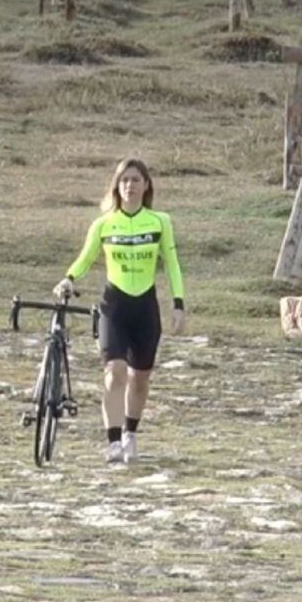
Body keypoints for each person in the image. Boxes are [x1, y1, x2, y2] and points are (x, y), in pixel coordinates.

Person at [52, 158, 185, 464]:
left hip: (146, 307)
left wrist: (178, 304)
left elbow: (172, 265)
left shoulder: (160, 221)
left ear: (146, 185)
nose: (130, 185)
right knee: (115, 373)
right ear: (116, 186)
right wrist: (68, 278)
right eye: (124, 180)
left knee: (140, 378)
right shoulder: (104, 224)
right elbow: (85, 259)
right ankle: (112, 441)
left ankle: (130, 433)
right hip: (115, 305)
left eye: (136, 179)